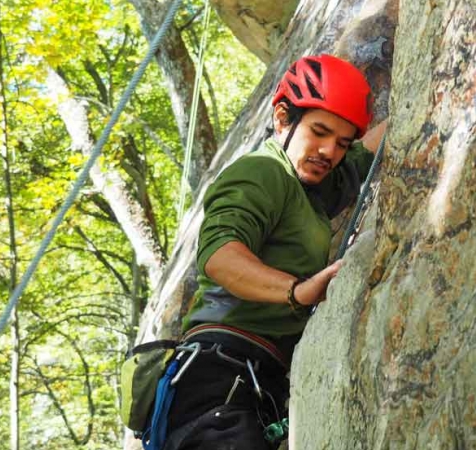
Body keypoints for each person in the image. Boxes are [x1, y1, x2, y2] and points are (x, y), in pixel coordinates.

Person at [160, 54, 387, 450]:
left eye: (341, 142)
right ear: (283, 116)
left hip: (247, 386)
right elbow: (219, 254)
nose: (328, 151)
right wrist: (296, 290)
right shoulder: (263, 172)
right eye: (319, 131)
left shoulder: (309, 186)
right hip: (217, 382)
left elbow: (362, 158)